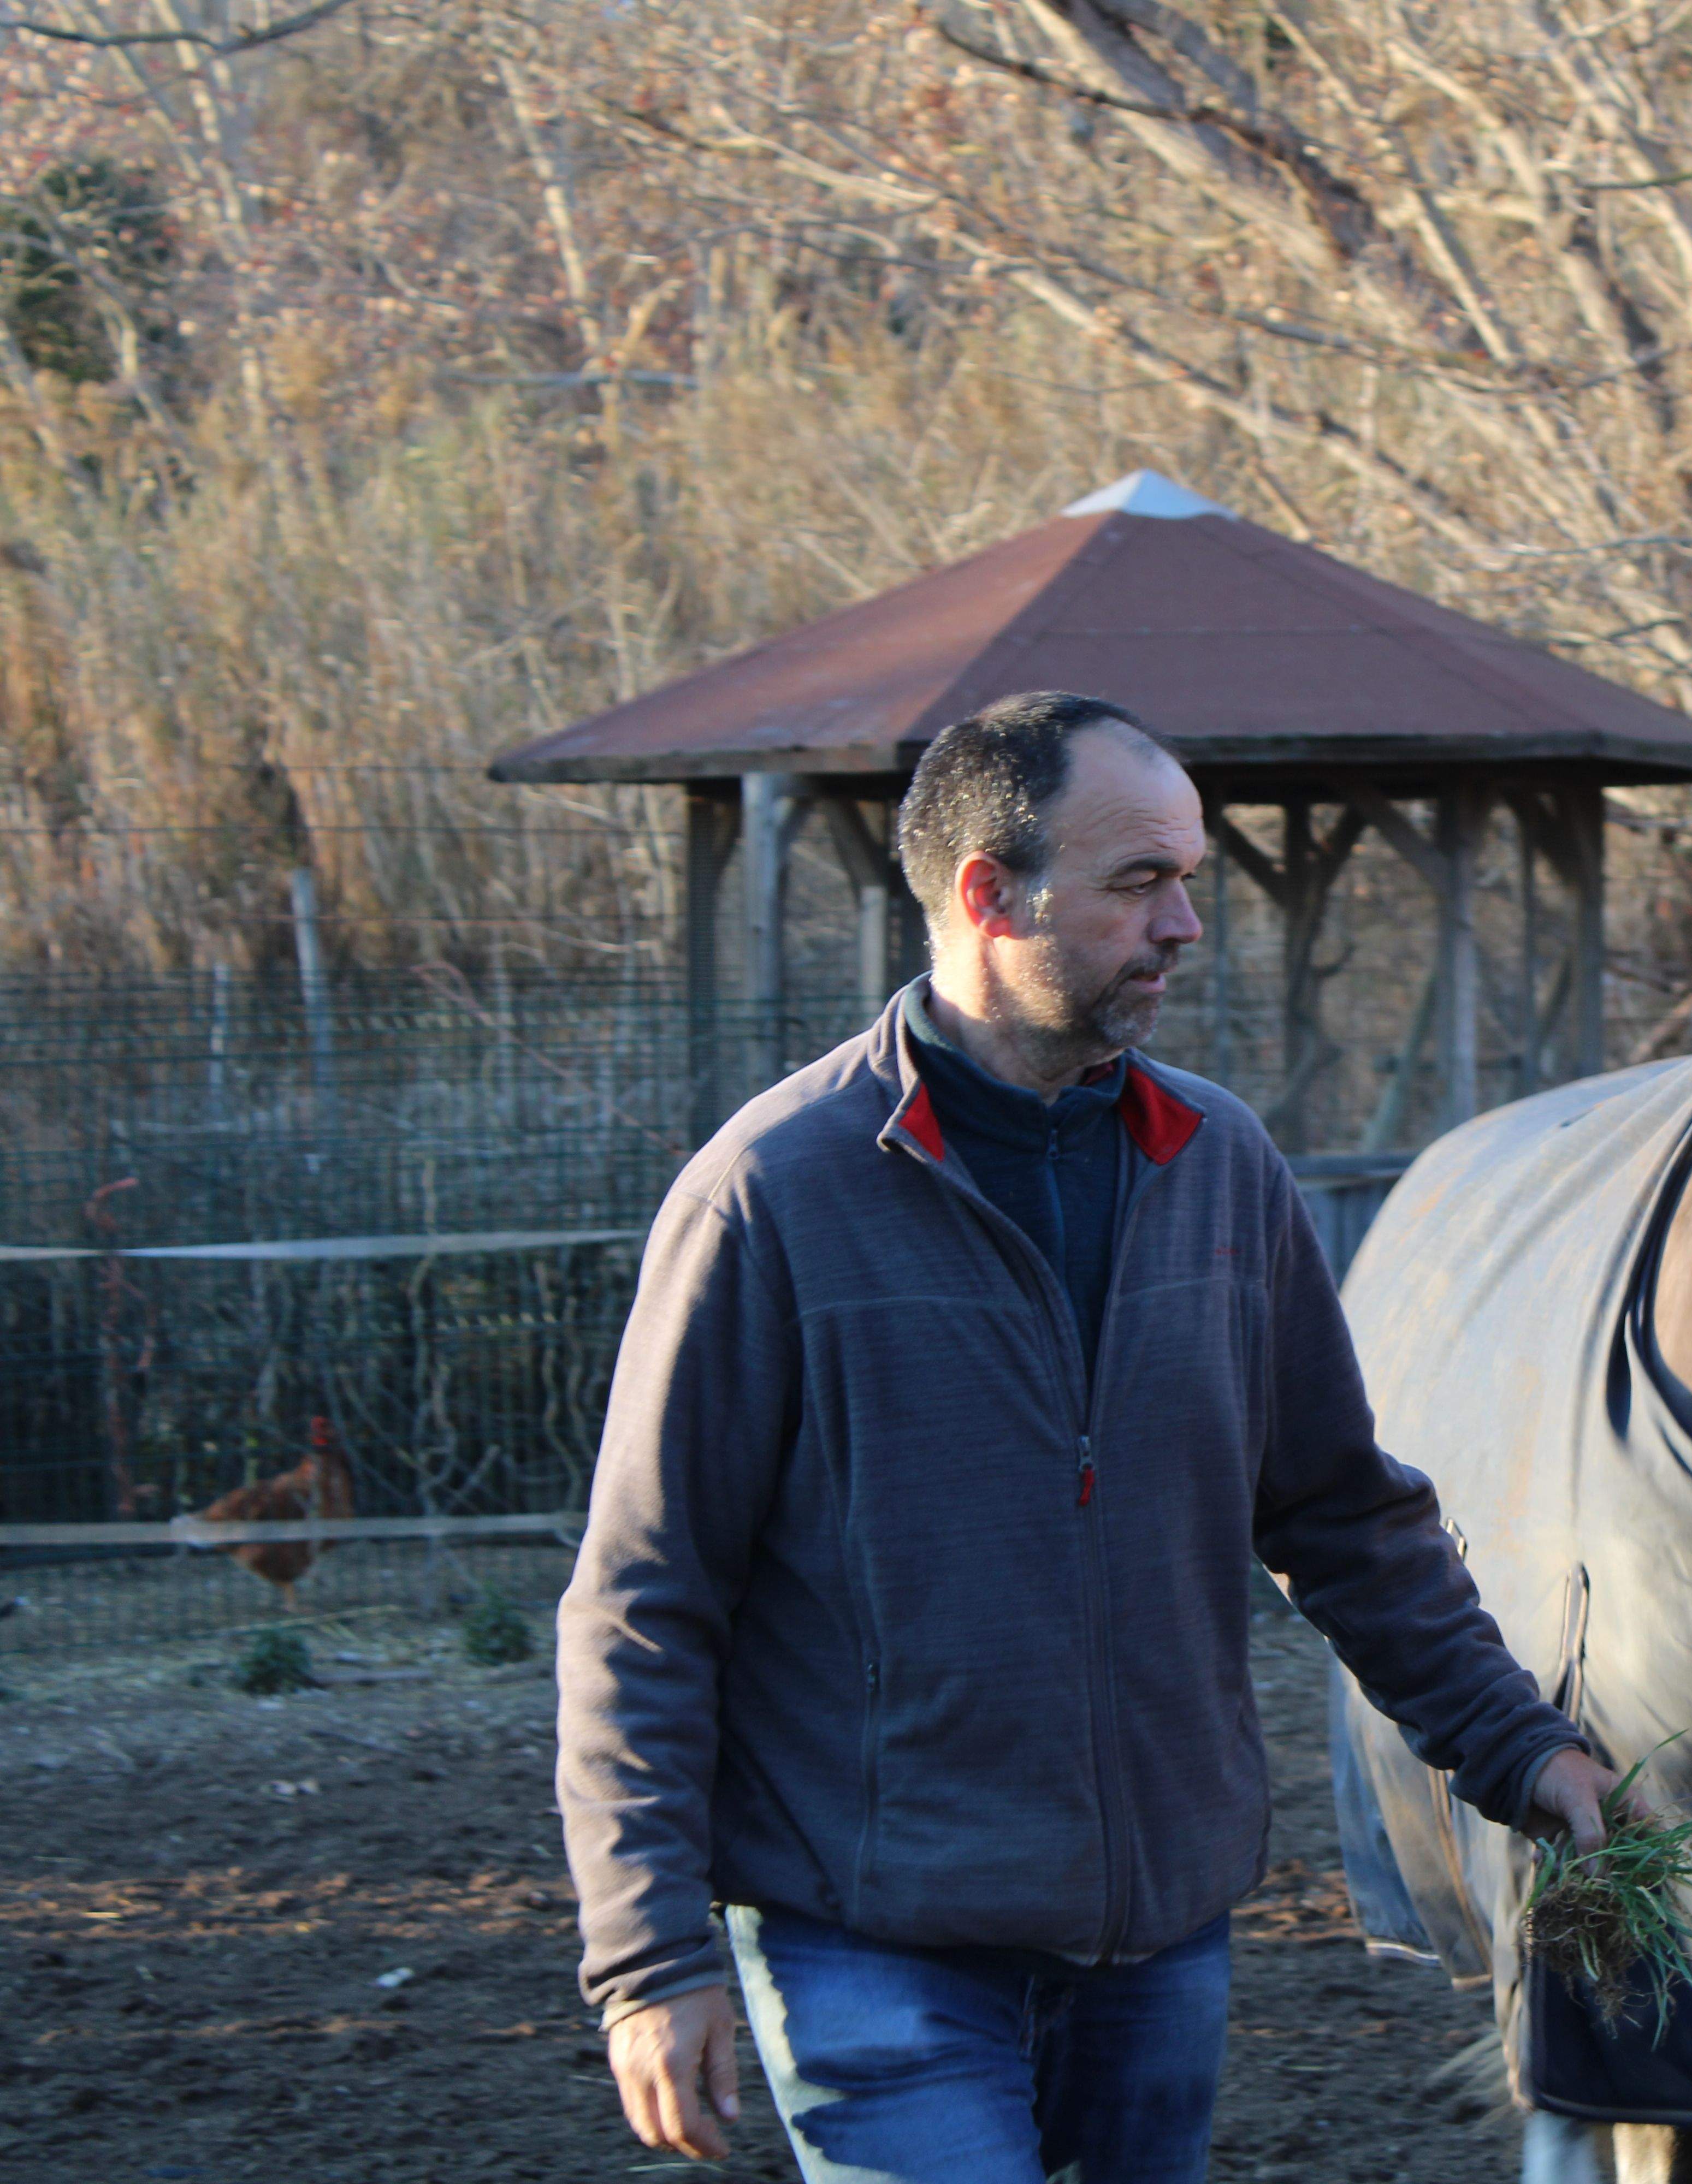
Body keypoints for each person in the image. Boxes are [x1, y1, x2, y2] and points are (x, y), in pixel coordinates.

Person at [556, 692, 1616, 2184]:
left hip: (1161, 1939)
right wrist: (648, 1960)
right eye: (1140, 884)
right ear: (991, 895)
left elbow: (1342, 1519)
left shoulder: (1222, 1167)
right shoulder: (773, 1198)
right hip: (875, 1938)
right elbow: (645, 1605)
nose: (1186, 924)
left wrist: (1523, 1750)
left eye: (1189, 877)